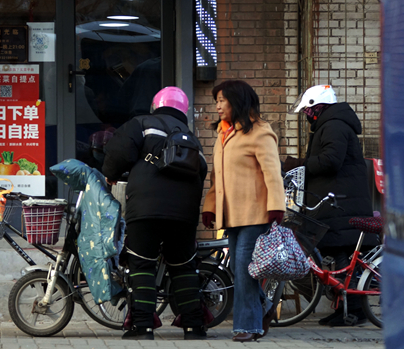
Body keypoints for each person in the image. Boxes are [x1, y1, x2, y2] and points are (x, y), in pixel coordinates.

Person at [102, 86, 209, 340]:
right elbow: (202, 172)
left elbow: (119, 154)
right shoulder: (191, 138)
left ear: (156, 105)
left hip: (146, 209)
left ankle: (143, 327)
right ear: (183, 110)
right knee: (183, 266)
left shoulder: (141, 123)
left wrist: (111, 175)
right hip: (184, 214)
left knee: (142, 263)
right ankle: (194, 327)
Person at [285, 84, 378, 326]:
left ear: (318, 107)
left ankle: (354, 310)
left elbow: (330, 161)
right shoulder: (332, 124)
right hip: (338, 201)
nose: (307, 116)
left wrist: (300, 163)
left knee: (341, 253)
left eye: (308, 110)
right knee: (339, 254)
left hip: (341, 203)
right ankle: (345, 308)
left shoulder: (334, 125)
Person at [202, 80, 286, 342]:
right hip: (232, 215)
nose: (217, 106)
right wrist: (211, 208)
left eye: (221, 101)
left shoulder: (260, 132)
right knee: (241, 270)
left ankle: (248, 326)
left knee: (244, 269)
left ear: (236, 101)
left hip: (255, 213)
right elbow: (218, 177)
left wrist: (276, 207)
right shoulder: (223, 134)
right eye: (216, 101)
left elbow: (273, 174)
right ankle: (263, 308)